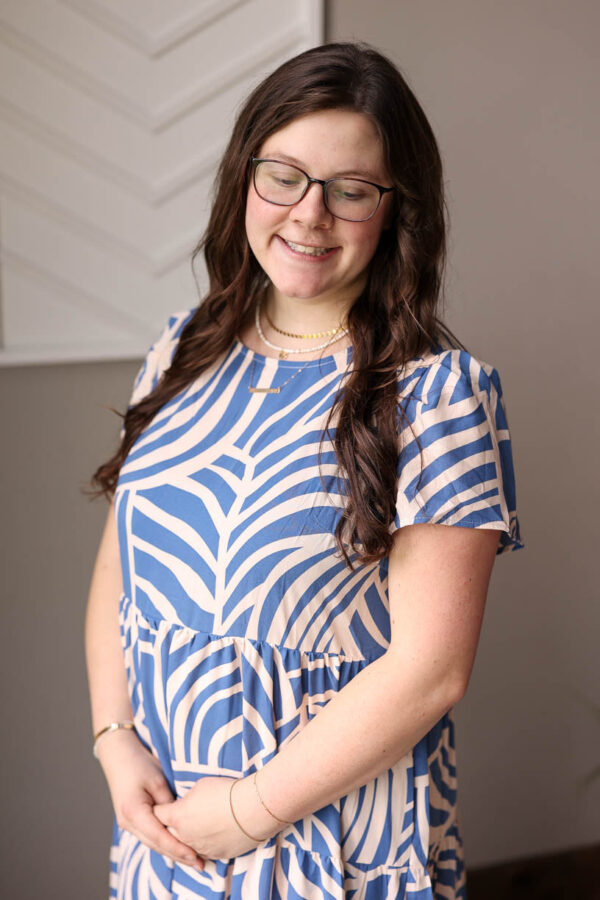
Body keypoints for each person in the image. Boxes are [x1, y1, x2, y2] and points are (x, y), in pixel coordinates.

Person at [85, 41, 524, 900]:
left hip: (332, 841)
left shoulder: (437, 395)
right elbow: (121, 567)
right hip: (168, 826)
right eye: (283, 175)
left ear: (399, 210)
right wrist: (113, 737)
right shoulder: (182, 349)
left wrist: (250, 811)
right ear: (245, 178)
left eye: (350, 190)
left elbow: (432, 669)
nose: (309, 215)